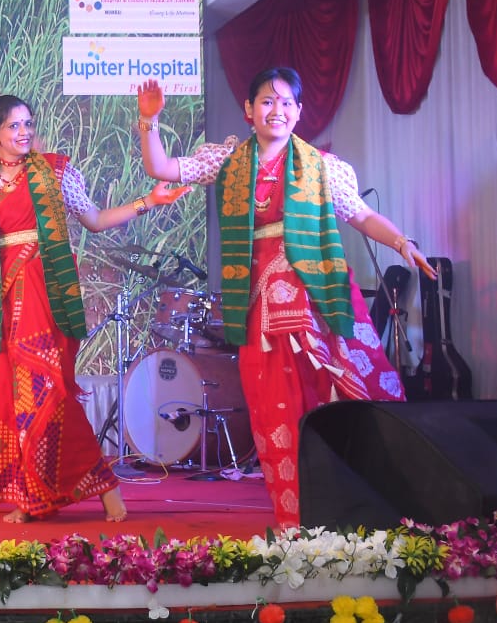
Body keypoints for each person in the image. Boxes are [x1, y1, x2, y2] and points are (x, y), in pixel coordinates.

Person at [135, 69, 434, 528]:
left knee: (344, 388)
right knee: (275, 404)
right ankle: (296, 518)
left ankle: (368, 504)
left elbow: (363, 215)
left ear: (299, 111)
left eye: (287, 102)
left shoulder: (322, 166)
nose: (277, 111)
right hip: (260, 303)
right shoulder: (228, 160)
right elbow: (162, 168)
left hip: (319, 297)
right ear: (249, 110)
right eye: (267, 102)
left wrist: (401, 242)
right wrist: (149, 122)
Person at [0, 83, 191, 523]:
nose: (24, 132)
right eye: (13, 126)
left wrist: (148, 200)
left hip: (44, 289)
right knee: (11, 395)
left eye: (28, 124)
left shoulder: (55, 171)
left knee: (49, 392)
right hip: (1, 293)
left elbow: (94, 219)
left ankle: (100, 490)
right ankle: (32, 495)